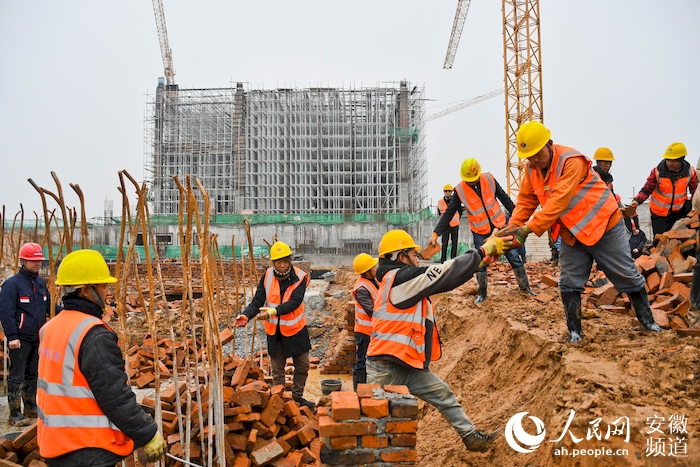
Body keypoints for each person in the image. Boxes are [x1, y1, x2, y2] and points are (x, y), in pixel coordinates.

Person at [502, 121, 660, 343]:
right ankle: (575, 333)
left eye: (537, 154)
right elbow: (526, 201)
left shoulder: (571, 161)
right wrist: (511, 228)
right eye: (529, 157)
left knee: (626, 275)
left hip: (604, 225)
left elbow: (558, 200)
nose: (534, 160)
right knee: (569, 281)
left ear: (549, 144)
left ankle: (648, 322)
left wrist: (527, 229)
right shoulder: (532, 170)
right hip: (572, 233)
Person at [366, 229, 511, 452]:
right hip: (385, 366)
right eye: (414, 254)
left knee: (442, 393)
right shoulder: (399, 280)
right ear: (401, 257)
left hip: (405, 363)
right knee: (378, 426)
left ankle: (470, 436)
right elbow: (444, 272)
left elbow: (445, 280)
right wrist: (481, 251)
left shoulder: (401, 280)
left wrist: (479, 262)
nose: (418, 258)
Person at [37, 249, 166, 466]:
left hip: (55, 443)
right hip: (86, 448)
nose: (108, 292)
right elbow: (115, 396)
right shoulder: (93, 335)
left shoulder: (50, 328)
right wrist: (149, 434)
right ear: (87, 290)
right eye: (103, 286)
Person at [429, 157, 536, 303]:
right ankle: (482, 293)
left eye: (474, 178)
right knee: (481, 262)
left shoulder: (489, 179)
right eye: (469, 179)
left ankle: (525, 288)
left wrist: (519, 220)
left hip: (501, 226)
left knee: (513, 257)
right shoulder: (459, 190)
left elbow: (505, 199)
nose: (472, 181)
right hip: (480, 231)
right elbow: (448, 213)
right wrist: (436, 233)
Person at [233, 241, 314, 409]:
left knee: (303, 366)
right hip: (275, 333)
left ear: (290, 260)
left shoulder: (300, 277)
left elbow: (295, 302)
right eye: (278, 262)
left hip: (296, 330)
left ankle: (297, 398)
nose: (282, 265)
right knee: (277, 370)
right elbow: (257, 301)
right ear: (273, 263)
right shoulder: (268, 276)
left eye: (285, 261)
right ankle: (280, 400)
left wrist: (274, 311)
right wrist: (246, 315)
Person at [0, 243, 51, 424]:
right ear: (23, 261)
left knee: (33, 374)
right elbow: (6, 313)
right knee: (17, 375)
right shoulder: (12, 285)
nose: (37, 264)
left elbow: (49, 308)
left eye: (39, 260)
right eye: (33, 260)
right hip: (20, 340)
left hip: (37, 338)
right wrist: (12, 337)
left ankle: (30, 406)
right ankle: (15, 413)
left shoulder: (40, 283)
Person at [628, 142, 698, 238]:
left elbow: (695, 191)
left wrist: (695, 208)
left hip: (679, 211)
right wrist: (636, 201)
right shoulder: (657, 172)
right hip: (659, 214)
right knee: (660, 240)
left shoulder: (690, 172)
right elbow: (646, 190)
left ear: (681, 160)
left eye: (673, 161)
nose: (669, 163)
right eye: (668, 160)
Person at [350, 253, 379, 390]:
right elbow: (372, 311)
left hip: (373, 331)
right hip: (364, 332)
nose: (376, 267)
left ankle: (368, 388)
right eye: (374, 266)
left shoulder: (374, 280)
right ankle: (358, 390)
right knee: (362, 362)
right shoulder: (362, 289)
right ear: (367, 272)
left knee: (372, 361)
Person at [437, 184, 461, 262]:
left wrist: (456, 219)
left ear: (452, 192)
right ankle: (443, 260)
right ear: (444, 192)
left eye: (449, 191)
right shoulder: (440, 202)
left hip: (455, 225)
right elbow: (439, 213)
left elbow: (460, 211)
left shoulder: (456, 202)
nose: (447, 193)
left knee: (454, 243)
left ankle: (453, 260)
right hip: (445, 226)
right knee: (444, 243)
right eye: (446, 191)